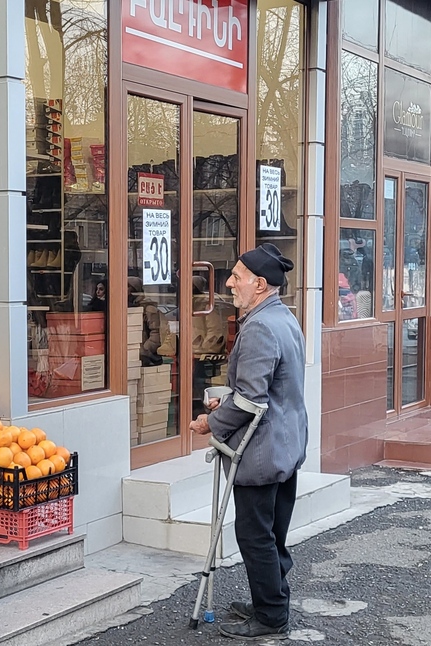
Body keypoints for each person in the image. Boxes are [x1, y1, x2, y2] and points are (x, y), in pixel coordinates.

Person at [190, 243, 307, 641]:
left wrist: (212, 421)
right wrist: (231, 399)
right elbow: (267, 390)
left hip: (261, 453)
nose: (229, 283)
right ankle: (271, 600)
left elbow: (250, 402)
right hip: (285, 447)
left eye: (237, 277)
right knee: (273, 533)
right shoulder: (283, 317)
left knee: (256, 536)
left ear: (259, 284)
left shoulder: (259, 327)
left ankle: (272, 616)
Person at [127, 276, 174, 366]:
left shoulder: (148, 309)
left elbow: (156, 334)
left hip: (144, 357)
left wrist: (143, 350)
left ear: (134, 290)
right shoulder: (128, 306)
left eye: (127, 287)